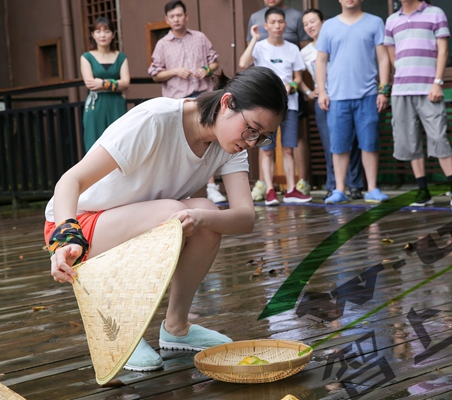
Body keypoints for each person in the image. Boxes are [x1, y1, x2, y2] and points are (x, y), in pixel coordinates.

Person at [46, 67, 287, 372]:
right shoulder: (157, 119)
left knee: (207, 215)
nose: (252, 142)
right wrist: (64, 239)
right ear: (227, 103)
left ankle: (177, 327)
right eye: (252, 129)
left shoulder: (231, 146)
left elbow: (245, 218)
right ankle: (121, 330)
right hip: (80, 225)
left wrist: (201, 217)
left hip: (146, 220)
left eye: (262, 137)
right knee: (173, 212)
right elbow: (70, 181)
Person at [384, 0, 452, 208]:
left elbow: (443, 51)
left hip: (429, 88)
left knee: (439, 137)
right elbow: (391, 53)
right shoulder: (391, 20)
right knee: (410, 141)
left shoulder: (435, 13)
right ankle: (423, 192)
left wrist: (437, 82)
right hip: (402, 90)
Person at [148, 0, 225, 204]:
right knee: (181, 144)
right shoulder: (162, 44)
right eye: (172, 16)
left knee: (206, 140)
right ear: (167, 19)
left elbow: (215, 60)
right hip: (177, 101)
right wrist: (174, 71)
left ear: (186, 16)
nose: (176, 19)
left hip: (202, 95)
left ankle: (211, 186)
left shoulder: (199, 37)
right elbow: (155, 74)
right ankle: (183, 190)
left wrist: (207, 70)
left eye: (179, 15)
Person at [316, 0, 391, 204]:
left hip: (368, 94)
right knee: (339, 145)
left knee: (370, 143)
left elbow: (383, 58)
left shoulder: (375, 22)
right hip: (337, 96)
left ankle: (372, 188)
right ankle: (339, 190)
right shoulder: (329, 26)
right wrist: (322, 91)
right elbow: (321, 60)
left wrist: (384, 90)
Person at [239, 7, 311, 206]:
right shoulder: (259, 47)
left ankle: (291, 189)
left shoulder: (292, 48)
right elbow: (243, 64)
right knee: (266, 150)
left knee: (288, 149)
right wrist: (253, 38)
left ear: (285, 24)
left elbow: (298, 77)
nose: (277, 26)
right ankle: (270, 190)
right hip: (265, 107)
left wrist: (292, 86)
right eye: (272, 22)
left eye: (280, 22)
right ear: (265, 25)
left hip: (291, 105)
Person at [300, 8, 364, 199]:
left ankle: (355, 185)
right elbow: (295, 74)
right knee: (330, 145)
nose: (309, 26)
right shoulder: (305, 52)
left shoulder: (337, 42)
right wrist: (310, 92)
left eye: (313, 21)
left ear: (324, 22)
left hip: (343, 95)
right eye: (305, 24)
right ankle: (333, 185)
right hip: (323, 101)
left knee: (350, 142)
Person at [81, 17, 130, 152]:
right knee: (94, 143)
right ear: (92, 35)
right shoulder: (86, 57)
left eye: (107, 31)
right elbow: (90, 83)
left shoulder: (121, 57)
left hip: (116, 103)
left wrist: (101, 82)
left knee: (120, 142)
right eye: (98, 31)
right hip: (96, 104)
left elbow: (126, 82)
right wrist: (115, 84)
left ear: (113, 34)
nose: (102, 35)